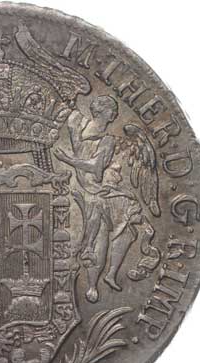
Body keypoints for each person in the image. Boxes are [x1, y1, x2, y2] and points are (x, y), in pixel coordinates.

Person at [54, 95, 142, 303]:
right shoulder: (80, 125)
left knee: (123, 223)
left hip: (98, 190)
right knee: (106, 226)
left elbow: (96, 167)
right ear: (102, 111)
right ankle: (93, 276)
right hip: (89, 191)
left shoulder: (103, 138)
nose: (115, 114)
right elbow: (94, 167)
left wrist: (67, 159)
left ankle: (102, 278)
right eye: (112, 110)